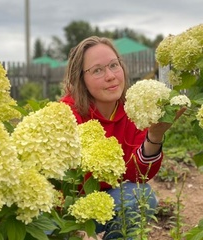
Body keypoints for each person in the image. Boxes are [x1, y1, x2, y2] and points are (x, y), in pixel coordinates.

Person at [60, 36, 185, 240]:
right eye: (97, 70)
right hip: (65, 211)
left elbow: (138, 175)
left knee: (141, 197)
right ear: (80, 78)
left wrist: (154, 135)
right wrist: (77, 231)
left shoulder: (133, 110)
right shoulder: (66, 114)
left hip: (106, 205)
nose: (111, 76)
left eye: (113, 65)